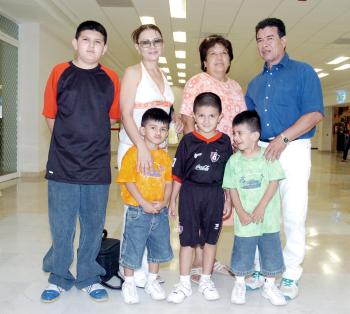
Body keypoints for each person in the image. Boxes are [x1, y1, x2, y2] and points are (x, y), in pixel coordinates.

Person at [41, 20, 120, 303]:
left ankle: (88, 275)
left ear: (104, 48)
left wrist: (89, 143)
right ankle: (59, 276)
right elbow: (51, 115)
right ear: (75, 43)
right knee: (61, 224)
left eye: (97, 42)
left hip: (97, 165)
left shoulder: (111, 77)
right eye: (85, 40)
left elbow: (110, 117)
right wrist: (68, 145)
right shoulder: (59, 72)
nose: (91, 46)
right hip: (62, 163)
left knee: (92, 223)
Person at [245, 17, 324, 299]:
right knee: (262, 213)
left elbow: (314, 113)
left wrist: (284, 138)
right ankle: (259, 267)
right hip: (262, 151)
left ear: (283, 40)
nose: (264, 44)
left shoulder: (303, 73)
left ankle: (290, 273)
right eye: (259, 40)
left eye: (270, 38)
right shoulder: (254, 84)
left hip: (293, 150)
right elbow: (249, 123)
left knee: (293, 213)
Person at [118, 24, 181, 287]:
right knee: (134, 209)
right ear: (138, 47)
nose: (152, 46)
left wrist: (174, 117)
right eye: (146, 42)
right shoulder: (133, 72)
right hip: (136, 148)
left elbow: (164, 111)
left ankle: (148, 269)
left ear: (162, 43)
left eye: (156, 41)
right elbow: (124, 112)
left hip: (157, 151)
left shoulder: (164, 76)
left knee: (153, 209)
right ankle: (131, 270)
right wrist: (142, 147)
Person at [180, 34, 246, 282]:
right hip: (201, 155)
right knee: (198, 206)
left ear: (230, 59)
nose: (219, 58)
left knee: (217, 209)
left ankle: (209, 257)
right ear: (204, 61)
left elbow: (240, 122)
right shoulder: (197, 81)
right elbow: (188, 119)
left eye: (224, 53)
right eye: (213, 54)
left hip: (229, 154)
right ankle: (198, 261)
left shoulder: (236, 86)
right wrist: (193, 156)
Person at [167, 92, 233, 303]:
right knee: (187, 240)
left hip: (214, 195)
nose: (206, 121)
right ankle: (184, 282)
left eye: (212, 116)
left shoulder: (225, 142)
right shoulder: (187, 141)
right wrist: (172, 200)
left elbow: (229, 176)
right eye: (201, 115)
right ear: (194, 116)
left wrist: (229, 199)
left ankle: (206, 280)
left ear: (220, 117)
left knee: (210, 240)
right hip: (189, 194)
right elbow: (177, 175)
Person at [223, 111, 286, 306]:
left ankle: (269, 285)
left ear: (255, 136)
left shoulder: (268, 157)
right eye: (234, 133)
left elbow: (274, 183)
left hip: (267, 218)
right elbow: (231, 187)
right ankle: (240, 283)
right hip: (245, 220)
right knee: (243, 251)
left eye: (240, 133)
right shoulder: (234, 161)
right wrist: (240, 211)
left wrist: (260, 208)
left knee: (270, 252)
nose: (235, 137)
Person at [116, 108, 173, 304]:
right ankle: (129, 282)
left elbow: (168, 182)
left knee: (157, 248)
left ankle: (152, 280)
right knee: (133, 247)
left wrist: (165, 201)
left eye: (163, 129)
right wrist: (144, 203)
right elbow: (127, 181)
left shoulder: (165, 157)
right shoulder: (133, 153)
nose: (158, 133)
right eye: (153, 127)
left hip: (159, 211)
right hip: (137, 211)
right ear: (142, 130)